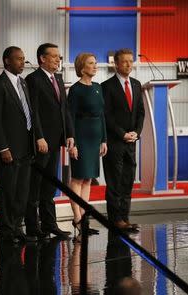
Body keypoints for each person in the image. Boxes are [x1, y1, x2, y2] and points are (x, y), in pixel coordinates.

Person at [24, 43, 74, 240]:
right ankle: (32, 226)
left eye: (59, 56)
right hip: (42, 142)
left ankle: (49, 224)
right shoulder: (33, 79)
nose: (57, 59)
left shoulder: (58, 79)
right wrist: (39, 136)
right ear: (42, 59)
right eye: (53, 56)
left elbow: (65, 109)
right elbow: (33, 111)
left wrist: (69, 133)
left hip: (56, 141)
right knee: (35, 186)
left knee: (50, 185)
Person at [0, 46, 36, 244]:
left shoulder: (23, 83)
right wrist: (2, 147)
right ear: (7, 61)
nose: (22, 63)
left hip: (25, 147)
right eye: (18, 59)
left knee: (22, 191)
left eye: (23, 59)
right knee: (8, 191)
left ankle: (17, 226)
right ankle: (6, 229)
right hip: (8, 149)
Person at [101, 48, 145, 232]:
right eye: (125, 61)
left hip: (131, 142)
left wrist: (136, 132)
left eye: (131, 61)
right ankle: (115, 219)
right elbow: (106, 115)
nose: (129, 64)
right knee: (114, 182)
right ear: (116, 64)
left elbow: (140, 112)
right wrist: (122, 134)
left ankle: (124, 218)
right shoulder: (106, 86)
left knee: (128, 180)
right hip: (115, 142)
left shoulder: (136, 84)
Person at [68, 53, 107, 237]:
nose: (95, 66)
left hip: (95, 136)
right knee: (77, 178)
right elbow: (70, 117)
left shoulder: (98, 87)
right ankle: (76, 217)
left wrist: (104, 139)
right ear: (82, 68)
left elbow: (102, 115)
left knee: (88, 178)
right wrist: (72, 141)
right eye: (91, 63)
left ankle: (84, 219)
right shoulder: (75, 90)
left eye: (95, 63)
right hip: (81, 136)